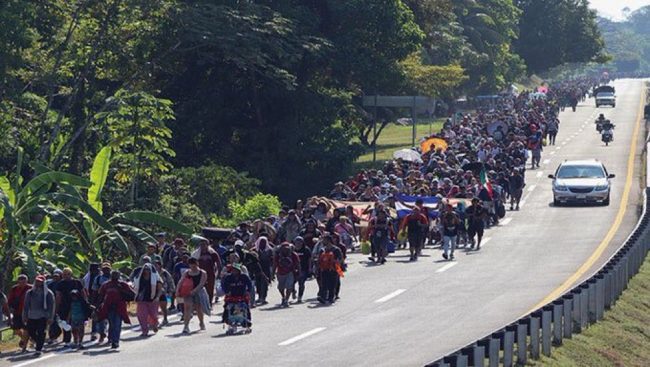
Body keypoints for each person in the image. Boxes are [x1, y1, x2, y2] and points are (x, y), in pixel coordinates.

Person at [97, 270, 134, 349]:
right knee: (112, 324)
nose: (115, 276)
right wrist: (98, 306)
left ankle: (115, 341)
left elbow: (132, 294)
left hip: (119, 307)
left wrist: (122, 291)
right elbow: (100, 295)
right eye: (114, 275)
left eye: (116, 275)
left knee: (117, 324)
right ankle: (111, 338)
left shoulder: (122, 284)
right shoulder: (106, 285)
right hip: (109, 307)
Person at [22, 275, 55, 356]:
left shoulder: (48, 293)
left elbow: (52, 306)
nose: (38, 283)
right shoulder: (29, 293)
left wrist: (50, 317)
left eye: (40, 281)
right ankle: (40, 342)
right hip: (32, 316)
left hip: (43, 316)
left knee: (41, 332)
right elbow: (26, 306)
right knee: (31, 331)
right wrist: (24, 316)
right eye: (37, 281)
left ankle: (38, 349)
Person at [176, 258, 207, 334]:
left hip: (198, 292)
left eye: (194, 264)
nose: (193, 266)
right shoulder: (187, 272)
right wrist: (177, 290)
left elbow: (201, 284)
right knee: (187, 308)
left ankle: (201, 322)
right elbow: (181, 281)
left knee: (198, 309)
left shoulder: (202, 273)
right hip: (187, 292)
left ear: (197, 264)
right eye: (191, 264)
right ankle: (186, 326)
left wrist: (194, 291)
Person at [55, 268, 85, 347]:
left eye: (68, 274)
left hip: (77, 306)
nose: (66, 276)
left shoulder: (77, 282)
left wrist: (85, 303)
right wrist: (56, 307)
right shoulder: (60, 284)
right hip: (65, 306)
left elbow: (83, 293)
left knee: (79, 324)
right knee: (66, 323)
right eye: (64, 274)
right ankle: (67, 340)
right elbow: (58, 296)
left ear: (71, 274)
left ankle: (79, 340)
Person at [221, 263, 253, 332]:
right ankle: (226, 319)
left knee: (245, 306)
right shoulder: (228, 277)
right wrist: (227, 291)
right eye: (233, 270)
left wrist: (248, 291)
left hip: (242, 295)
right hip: (231, 296)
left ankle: (247, 320)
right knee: (227, 307)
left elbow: (250, 284)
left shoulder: (244, 276)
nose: (235, 271)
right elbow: (224, 285)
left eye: (236, 270)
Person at [134, 263, 162, 337]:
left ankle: (154, 324)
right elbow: (135, 287)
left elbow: (160, 288)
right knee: (142, 315)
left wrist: (157, 297)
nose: (146, 271)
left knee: (153, 315)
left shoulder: (156, 277)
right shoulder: (139, 278)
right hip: (141, 300)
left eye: (148, 269)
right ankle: (144, 330)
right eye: (145, 269)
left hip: (152, 299)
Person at [192, 236, 222, 304]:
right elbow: (192, 263)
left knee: (210, 289)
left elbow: (218, 263)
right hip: (199, 274)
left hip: (210, 274)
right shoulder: (197, 254)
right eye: (201, 244)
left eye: (204, 244)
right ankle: (199, 304)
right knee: (199, 288)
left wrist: (219, 274)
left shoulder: (212, 253)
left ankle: (209, 303)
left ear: (207, 245)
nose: (203, 246)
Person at [8, 274, 32, 352]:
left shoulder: (31, 288)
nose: (22, 284)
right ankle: (24, 339)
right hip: (17, 312)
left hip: (27, 312)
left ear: (26, 281)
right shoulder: (14, 289)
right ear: (18, 282)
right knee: (16, 329)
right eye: (20, 282)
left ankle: (24, 346)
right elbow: (10, 300)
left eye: (24, 282)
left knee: (26, 329)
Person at [316, 238, 343, 304]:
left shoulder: (336, 250)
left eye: (324, 240)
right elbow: (319, 260)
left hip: (334, 269)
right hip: (324, 269)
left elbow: (340, 259)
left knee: (333, 284)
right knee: (324, 284)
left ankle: (332, 297)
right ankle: (323, 297)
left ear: (329, 241)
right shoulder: (322, 250)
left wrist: (337, 266)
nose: (323, 241)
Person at [272, 242, 300, 307]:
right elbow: (274, 265)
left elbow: (298, 264)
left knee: (289, 286)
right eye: (284, 249)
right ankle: (283, 297)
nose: (285, 250)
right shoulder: (278, 256)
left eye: (287, 249)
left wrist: (299, 272)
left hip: (290, 272)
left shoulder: (293, 254)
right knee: (280, 287)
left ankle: (286, 300)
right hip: (280, 273)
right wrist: (272, 274)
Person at [90, 264, 112, 343]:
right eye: (104, 269)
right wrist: (93, 303)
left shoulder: (114, 277)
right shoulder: (98, 278)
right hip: (101, 301)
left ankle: (111, 336)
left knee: (111, 319)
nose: (106, 270)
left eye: (108, 269)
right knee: (100, 319)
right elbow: (94, 291)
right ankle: (102, 334)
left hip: (112, 302)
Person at [253, 237, 273, 305]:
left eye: (264, 242)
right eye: (261, 242)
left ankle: (263, 298)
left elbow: (272, 260)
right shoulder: (254, 250)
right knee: (258, 284)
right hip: (257, 270)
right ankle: (259, 296)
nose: (262, 244)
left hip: (266, 269)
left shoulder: (269, 250)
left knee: (265, 284)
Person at [154, 260, 175, 326]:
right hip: (154, 292)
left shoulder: (165, 273)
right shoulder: (152, 273)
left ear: (160, 265)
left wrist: (171, 291)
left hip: (164, 292)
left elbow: (170, 281)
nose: (155, 266)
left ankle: (165, 319)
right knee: (154, 307)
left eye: (156, 265)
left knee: (163, 307)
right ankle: (154, 320)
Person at [293, 236, 311, 303]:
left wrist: (309, 268)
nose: (298, 243)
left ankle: (300, 297)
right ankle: (293, 291)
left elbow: (309, 259)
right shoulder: (292, 249)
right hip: (293, 269)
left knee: (301, 283)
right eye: (297, 242)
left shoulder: (306, 250)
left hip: (303, 269)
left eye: (300, 242)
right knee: (291, 283)